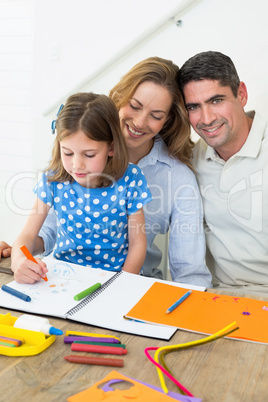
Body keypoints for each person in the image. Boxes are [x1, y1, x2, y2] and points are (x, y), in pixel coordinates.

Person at [1, 57, 212, 288]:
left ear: (168, 119)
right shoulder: (70, 159)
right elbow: (47, 232)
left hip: (129, 283)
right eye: (134, 105)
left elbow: (186, 271)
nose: (140, 122)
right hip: (61, 279)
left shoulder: (172, 178)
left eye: (156, 115)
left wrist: (120, 285)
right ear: (120, 97)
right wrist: (19, 256)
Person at [11, 92, 152, 283]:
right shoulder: (53, 178)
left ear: (111, 148)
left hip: (116, 279)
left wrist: (121, 284)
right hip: (63, 277)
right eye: (68, 153)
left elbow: (138, 245)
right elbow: (27, 235)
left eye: (89, 154)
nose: (77, 165)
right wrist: (18, 261)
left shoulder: (130, 179)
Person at [177, 50, 268, 294]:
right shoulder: (191, 159)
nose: (206, 118)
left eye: (216, 100)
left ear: (242, 94)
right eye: (194, 107)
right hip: (216, 296)